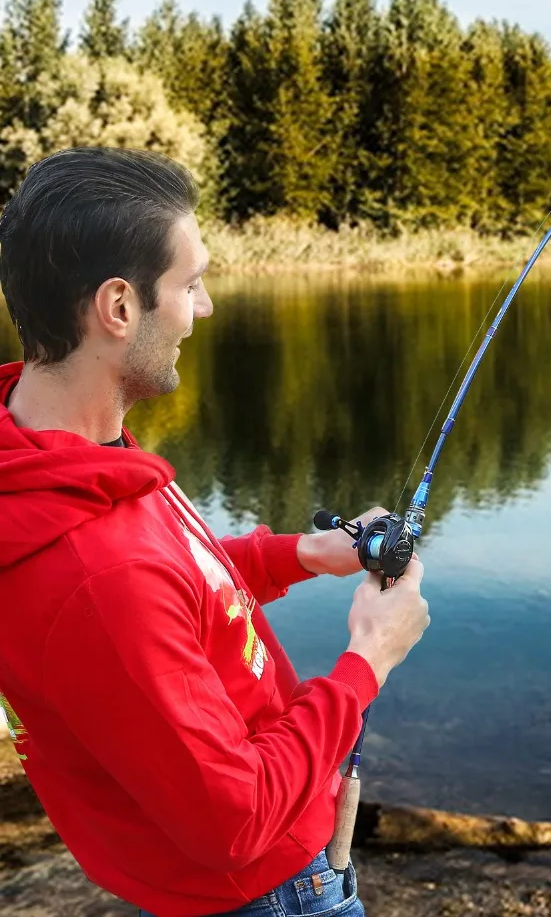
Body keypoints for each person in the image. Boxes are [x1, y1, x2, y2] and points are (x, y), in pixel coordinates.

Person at [0, 147, 431, 917]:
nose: (205, 309)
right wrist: (369, 658)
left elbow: (171, 583)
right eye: (190, 285)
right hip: (264, 892)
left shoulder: (55, 454)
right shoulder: (95, 574)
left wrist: (301, 554)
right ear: (119, 308)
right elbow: (235, 822)